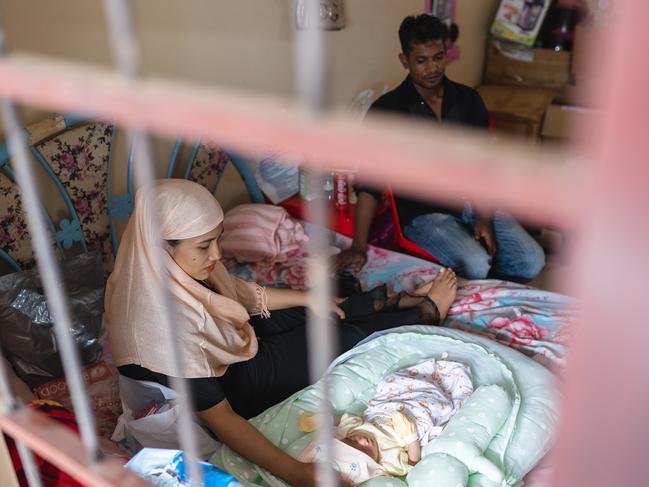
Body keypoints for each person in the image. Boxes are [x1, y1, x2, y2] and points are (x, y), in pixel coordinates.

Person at [103, 179, 458, 487]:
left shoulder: (170, 271)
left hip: (222, 344)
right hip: (222, 394)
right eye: (203, 246)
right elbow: (223, 419)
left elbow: (240, 295)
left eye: (218, 240)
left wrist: (310, 298)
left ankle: (391, 302)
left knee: (315, 310)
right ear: (161, 247)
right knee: (328, 339)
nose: (217, 254)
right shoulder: (162, 328)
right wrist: (296, 473)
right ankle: (424, 313)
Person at [334, 14, 545, 282]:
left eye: (438, 57)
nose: (432, 68)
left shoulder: (468, 100)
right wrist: (359, 246)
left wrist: (484, 217)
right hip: (423, 214)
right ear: (405, 61)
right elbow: (369, 182)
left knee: (532, 261)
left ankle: (479, 271)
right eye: (421, 61)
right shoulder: (387, 110)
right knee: (476, 263)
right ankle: (475, 270)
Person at [298, 358, 473, 482]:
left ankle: (428, 379)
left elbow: (343, 420)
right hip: (410, 424)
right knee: (433, 409)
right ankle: (437, 392)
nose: (362, 440)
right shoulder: (387, 461)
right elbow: (413, 462)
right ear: (371, 463)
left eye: (352, 440)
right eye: (363, 450)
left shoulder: (350, 431)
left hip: (388, 406)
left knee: (390, 384)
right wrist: (410, 437)